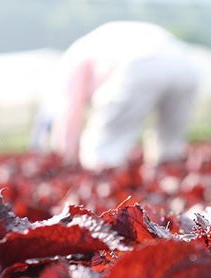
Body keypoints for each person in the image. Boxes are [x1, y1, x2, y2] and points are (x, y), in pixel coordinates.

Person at [34, 21, 200, 170]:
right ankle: (169, 177)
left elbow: (70, 112)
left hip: (141, 63)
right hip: (184, 62)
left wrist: (66, 156)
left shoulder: (71, 60)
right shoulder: (97, 41)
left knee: (104, 148)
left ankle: (104, 180)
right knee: (170, 144)